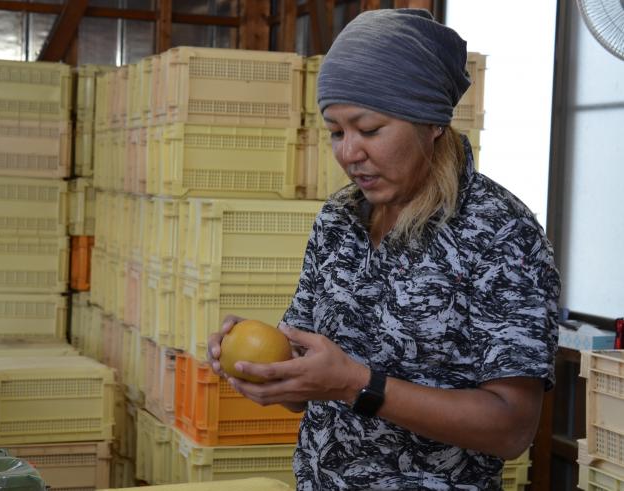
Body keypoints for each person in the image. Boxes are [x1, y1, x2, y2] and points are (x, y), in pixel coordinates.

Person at [207, 8, 560, 491]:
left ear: (432, 122)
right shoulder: (338, 219)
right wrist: (270, 370)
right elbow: (308, 388)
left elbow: (511, 428)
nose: (349, 153)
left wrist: (357, 384)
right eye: (336, 131)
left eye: (369, 129)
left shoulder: (498, 232)